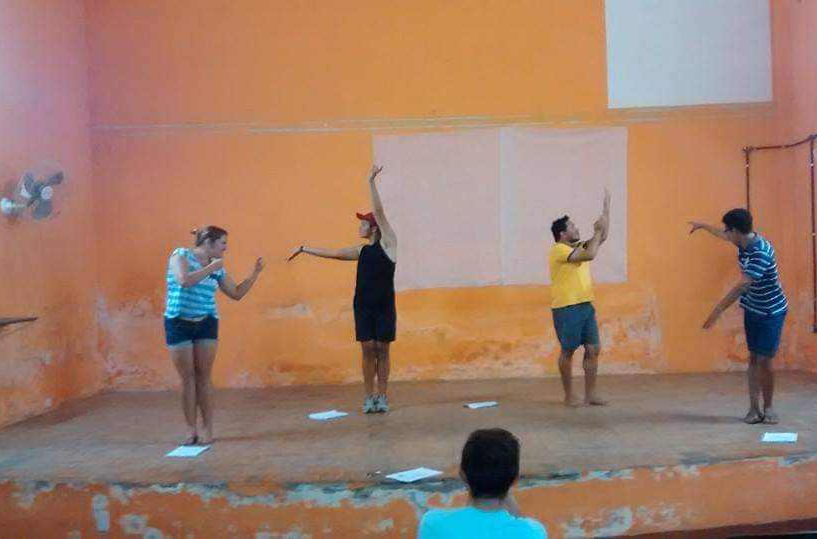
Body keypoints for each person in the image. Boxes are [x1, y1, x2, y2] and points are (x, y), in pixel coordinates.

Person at [288, 165, 397, 414]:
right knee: (368, 349)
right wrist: (305, 248)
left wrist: (370, 181)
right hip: (363, 306)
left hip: (384, 306)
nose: (360, 227)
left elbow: (379, 212)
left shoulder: (389, 244)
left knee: (382, 349)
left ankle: (382, 396)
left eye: (363, 224)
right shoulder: (361, 251)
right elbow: (335, 253)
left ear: (374, 228)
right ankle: (369, 397)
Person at [164, 226, 264, 445]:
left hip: (206, 322)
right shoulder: (180, 255)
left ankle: (207, 428)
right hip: (177, 321)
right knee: (187, 378)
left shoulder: (216, 267)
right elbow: (184, 280)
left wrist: (255, 273)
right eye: (223, 244)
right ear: (209, 242)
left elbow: (236, 293)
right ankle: (190, 429)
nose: (225, 249)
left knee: (204, 376)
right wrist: (210, 268)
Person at [690, 208, 788, 424]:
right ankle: (754, 409)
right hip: (752, 308)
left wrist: (717, 311)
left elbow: (743, 285)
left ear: (735, 230)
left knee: (765, 359)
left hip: (771, 311)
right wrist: (704, 226)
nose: (725, 233)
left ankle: (769, 407)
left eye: (727, 230)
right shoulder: (742, 241)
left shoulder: (760, 252)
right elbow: (722, 235)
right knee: (753, 357)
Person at [418, 428, 547, 539]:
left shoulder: (432, 524)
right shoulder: (533, 532)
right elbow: (518, 522)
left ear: (462, 475)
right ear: (515, 479)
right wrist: (505, 484)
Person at [548, 189, 611, 407]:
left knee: (593, 349)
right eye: (572, 226)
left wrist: (606, 209)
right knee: (568, 351)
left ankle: (590, 394)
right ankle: (569, 395)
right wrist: (597, 231)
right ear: (562, 234)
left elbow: (601, 238)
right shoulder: (558, 250)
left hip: (585, 305)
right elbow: (590, 253)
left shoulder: (576, 246)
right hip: (567, 307)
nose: (576, 228)